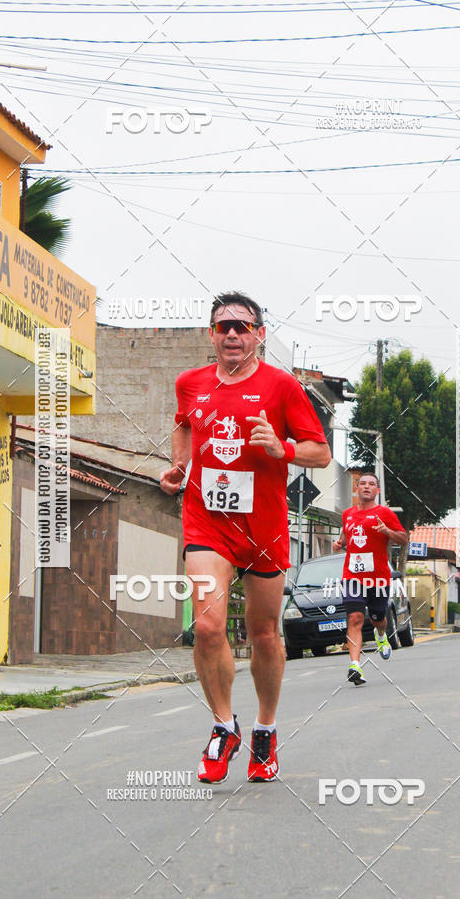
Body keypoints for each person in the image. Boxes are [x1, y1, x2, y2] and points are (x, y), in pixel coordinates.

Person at [159, 291, 330, 784]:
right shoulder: (189, 383)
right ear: (211, 335)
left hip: (264, 527)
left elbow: (319, 452)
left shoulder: (282, 387)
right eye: (222, 326)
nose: (232, 333)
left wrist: (283, 447)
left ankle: (265, 730)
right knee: (208, 627)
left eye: (242, 326)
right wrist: (180, 467)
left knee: (264, 633)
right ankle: (221, 724)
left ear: (258, 334)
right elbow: (184, 429)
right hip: (207, 522)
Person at [332, 472, 408, 685]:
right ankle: (355, 665)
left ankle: (381, 634)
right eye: (362, 483)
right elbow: (346, 539)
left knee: (377, 618)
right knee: (355, 618)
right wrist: (339, 544)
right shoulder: (347, 514)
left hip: (378, 578)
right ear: (357, 488)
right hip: (352, 576)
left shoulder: (384, 513)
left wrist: (387, 532)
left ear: (377, 490)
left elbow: (403, 539)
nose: (366, 487)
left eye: (371, 484)